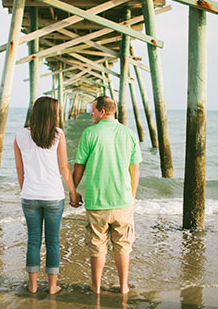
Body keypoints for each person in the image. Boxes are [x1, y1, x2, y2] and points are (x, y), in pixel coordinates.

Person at [73, 95, 142, 294]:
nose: (91, 114)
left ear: (102, 111)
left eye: (93, 110)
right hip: (123, 201)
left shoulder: (89, 133)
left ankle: (96, 288)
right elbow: (134, 169)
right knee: (122, 245)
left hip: (97, 203)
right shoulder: (129, 133)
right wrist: (132, 196)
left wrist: (73, 190)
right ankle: (123, 287)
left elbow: (79, 166)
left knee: (97, 246)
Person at [14, 96, 81, 295]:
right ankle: (52, 287)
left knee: (33, 241)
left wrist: (24, 189)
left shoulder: (20, 135)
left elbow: (20, 168)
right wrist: (73, 191)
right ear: (51, 114)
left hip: (30, 196)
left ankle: (33, 286)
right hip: (53, 196)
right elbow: (64, 167)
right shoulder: (58, 135)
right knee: (52, 242)